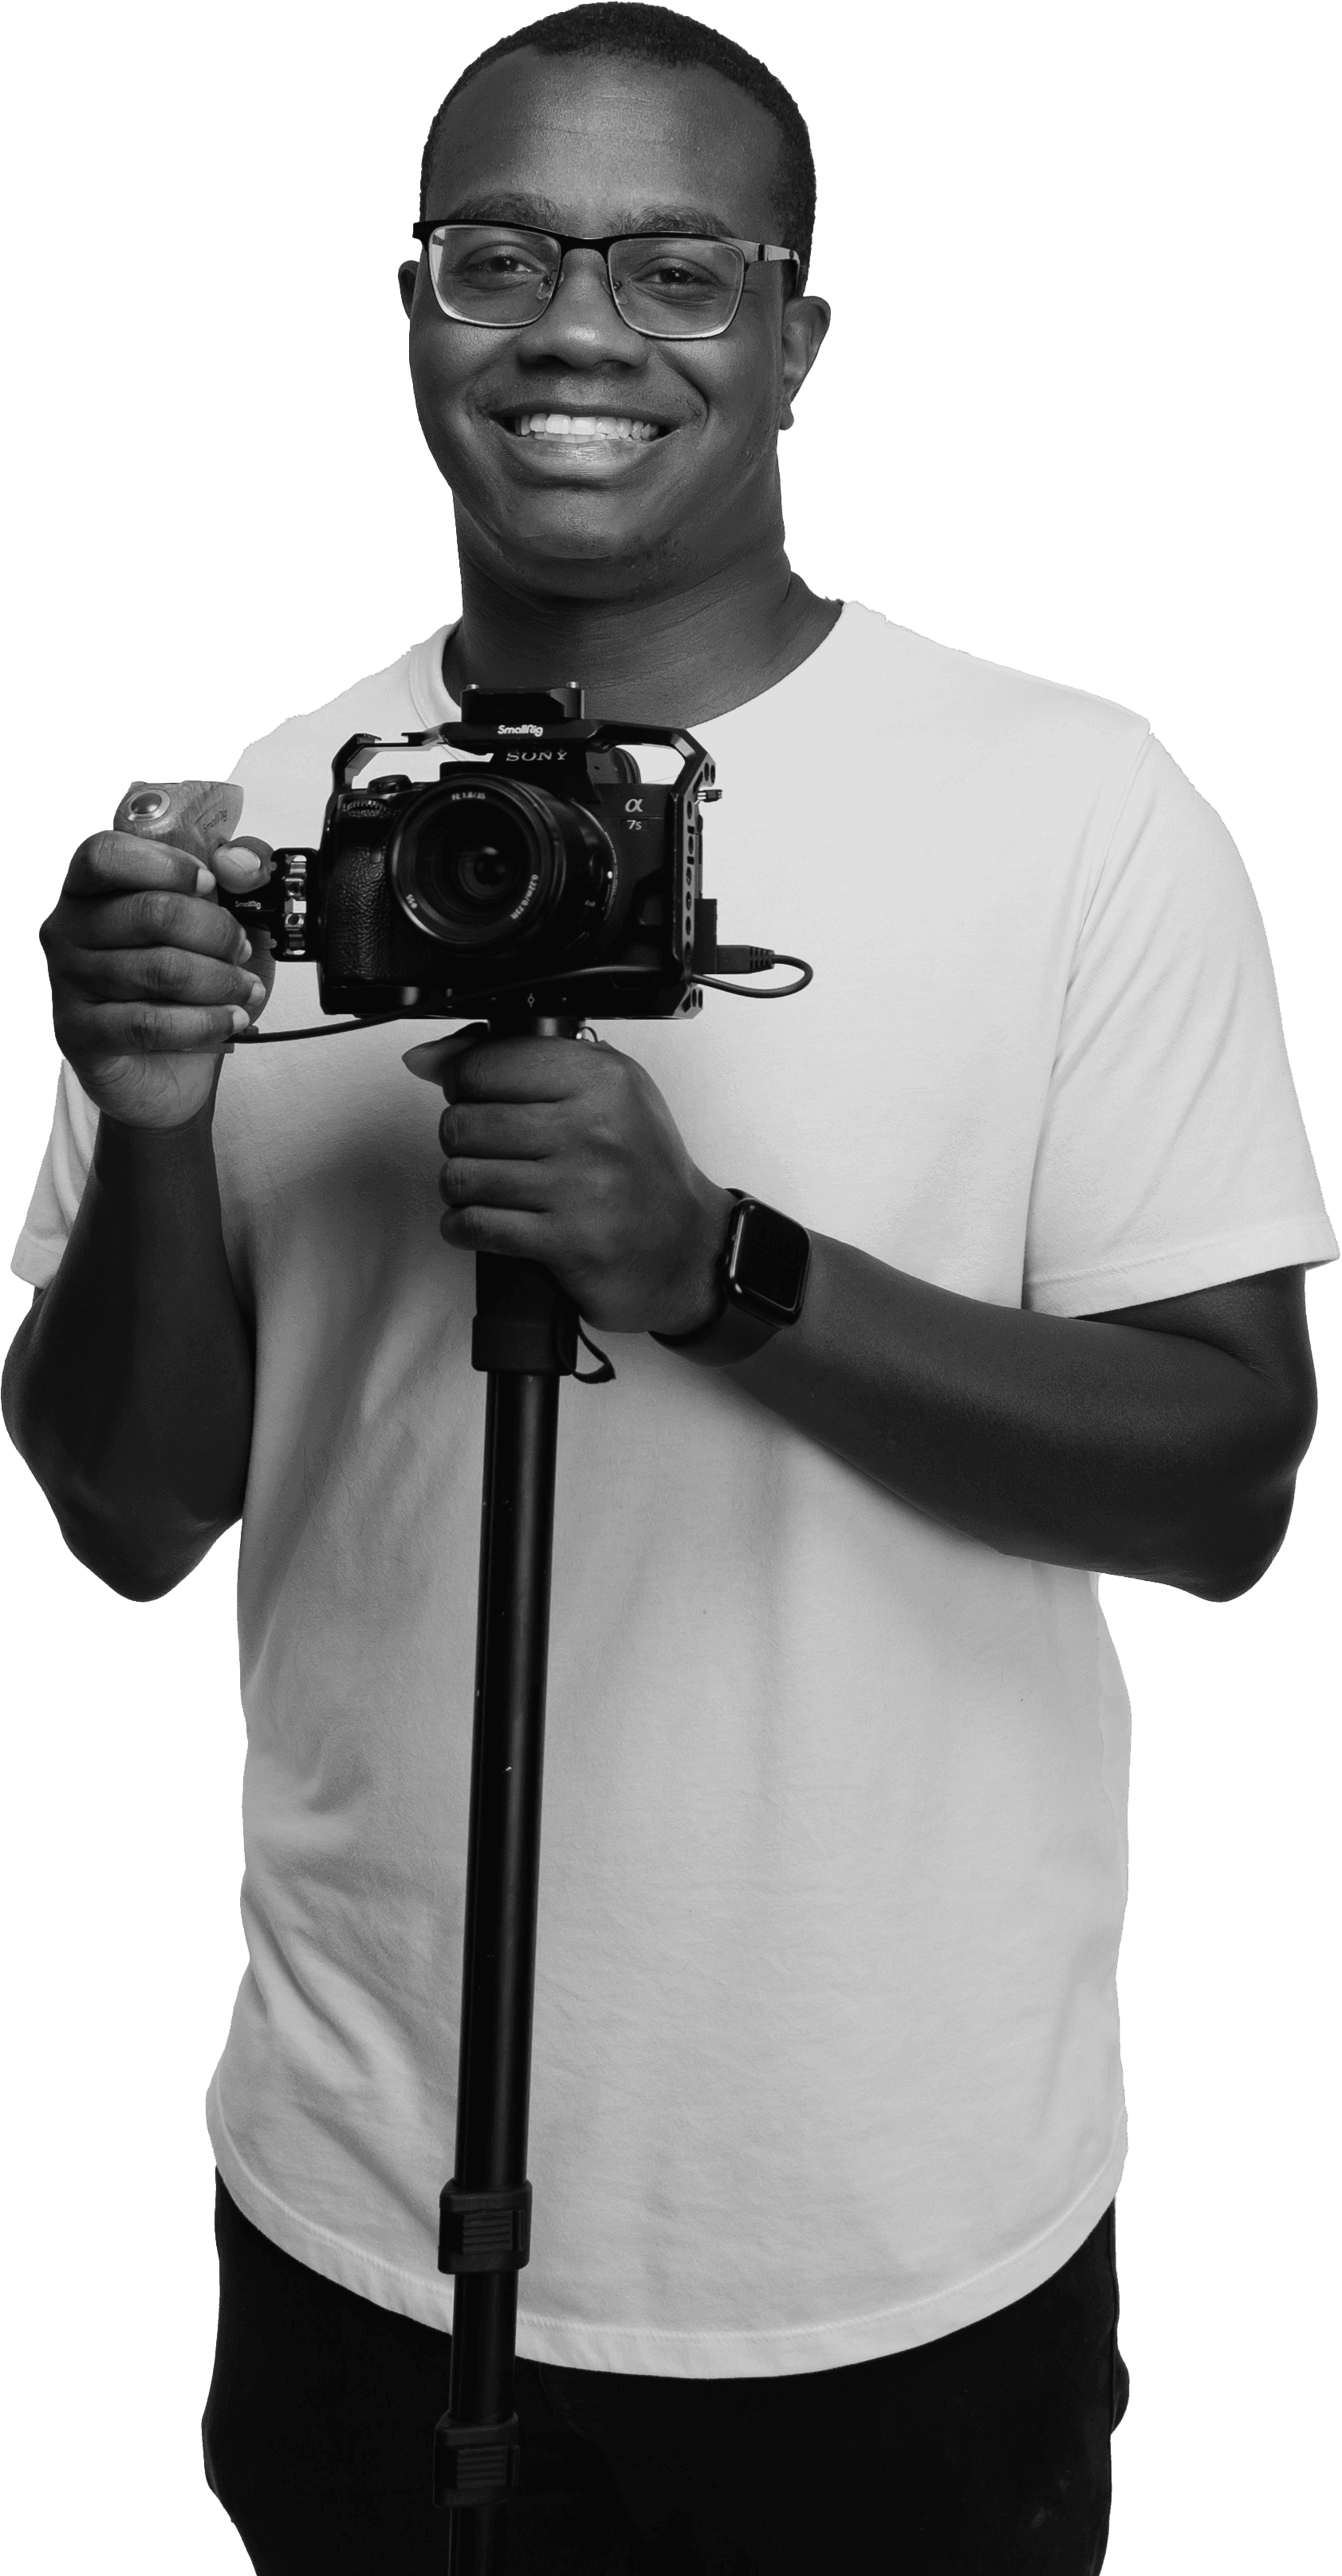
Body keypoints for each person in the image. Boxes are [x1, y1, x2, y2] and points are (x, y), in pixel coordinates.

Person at [3, 6, 1335, 2570]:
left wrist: (713, 1264)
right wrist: (157, 1119)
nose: (577, 328)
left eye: (678, 267)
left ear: (798, 332)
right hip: (358, 2193)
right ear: (409, 309)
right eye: (494, 254)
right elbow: (128, 1509)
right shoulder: (265, 821)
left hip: (893, 2231)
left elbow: (1234, 1481)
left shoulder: (1074, 809)